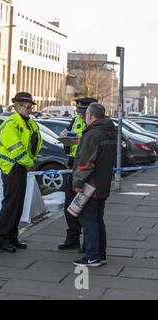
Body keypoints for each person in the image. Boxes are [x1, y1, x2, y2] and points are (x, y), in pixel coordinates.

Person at [0, 92, 43, 253]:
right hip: (12, 168)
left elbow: (35, 142)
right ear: (18, 106)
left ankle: (12, 237)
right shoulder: (11, 124)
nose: (30, 109)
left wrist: (32, 160)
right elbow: (17, 150)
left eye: (31, 107)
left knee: (18, 205)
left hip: (21, 168)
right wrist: (30, 163)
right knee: (10, 205)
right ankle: (2, 240)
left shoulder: (29, 123)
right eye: (28, 107)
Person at [72, 103, 116, 267]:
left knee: (89, 221)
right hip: (102, 184)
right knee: (98, 220)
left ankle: (92, 257)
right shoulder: (109, 132)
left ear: (90, 116)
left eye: (86, 115)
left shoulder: (93, 134)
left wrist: (78, 182)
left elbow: (85, 163)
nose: (84, 117)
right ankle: (100, 255)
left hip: (90, 186)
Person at [58, 97, 98, 251]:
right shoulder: (75, 120)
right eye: (79, 111)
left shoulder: (95, 126)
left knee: (84, 205)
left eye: (84, 112)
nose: (81, 115)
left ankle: (87, 243)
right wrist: (65, 139)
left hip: (86, 168)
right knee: (69, 205)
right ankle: (72, 238)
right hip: (72, 165)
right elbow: (67, 144)